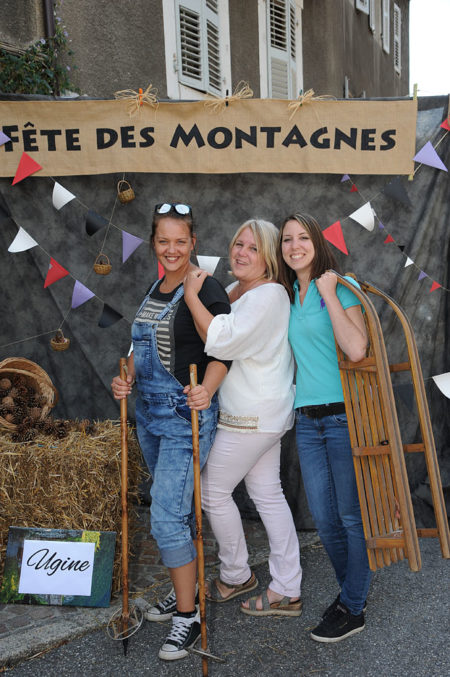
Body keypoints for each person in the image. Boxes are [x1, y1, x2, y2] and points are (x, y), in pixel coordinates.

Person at [111, 202, 231, 662]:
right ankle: (188, 592)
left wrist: (208, 391)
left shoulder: (206, 285)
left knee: (164, 516)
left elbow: (224, 348)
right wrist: (127, 378)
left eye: (181, 241)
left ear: (194, 243)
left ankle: (189, 615)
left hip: (184, 416)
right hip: (148, 414)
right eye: (164, 241)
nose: (172, 249)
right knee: (172, 514)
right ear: (153, 243)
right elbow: (141, 349)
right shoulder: (155, 286)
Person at [183, 218, 302, 617]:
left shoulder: (267, 295)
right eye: (237, 244)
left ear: (268, 259)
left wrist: (190, 295)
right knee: (268, 494)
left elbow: (223, 339)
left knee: (212, 490)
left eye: (252, 248)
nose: (240, 253)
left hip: (253, 415)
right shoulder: (243, 290)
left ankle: (237, 575)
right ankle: (287, 586)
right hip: (262, 412)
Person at [277, 212, 372, 642]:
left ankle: (353, 606)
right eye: (286, 240)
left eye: (302, 238)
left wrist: (330, 293)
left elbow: (356, 349)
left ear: (316, 241)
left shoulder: (340, 285)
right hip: (307, 419)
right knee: (324, 518)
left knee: (351, 517)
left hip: (341, 417)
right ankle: (352, 593)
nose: (295, 246)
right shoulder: (287, 292)